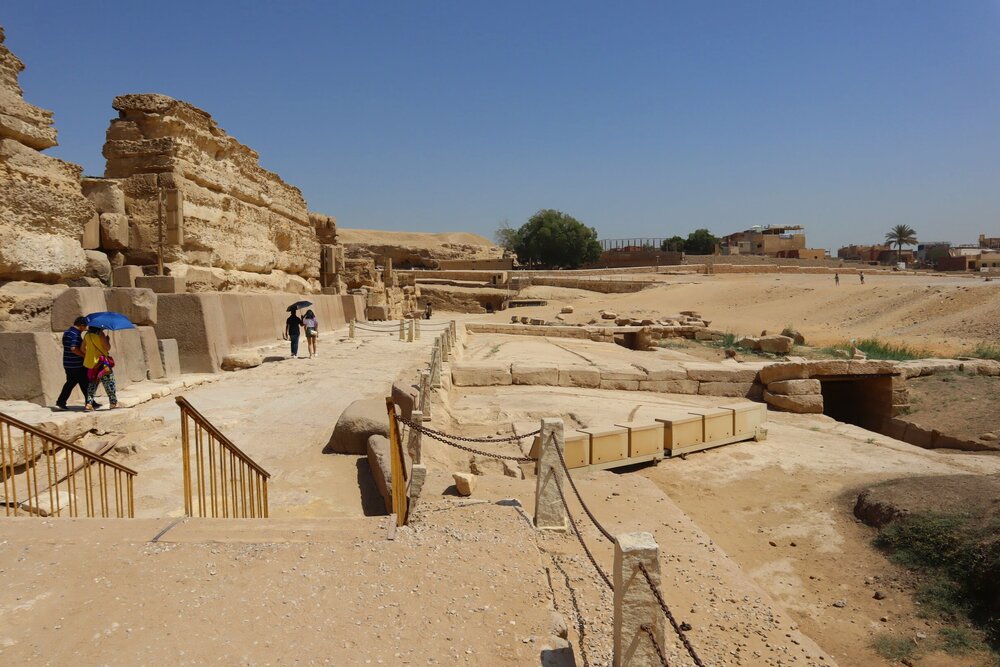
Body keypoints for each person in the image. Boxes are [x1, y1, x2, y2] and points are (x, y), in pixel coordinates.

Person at [56, 316, 96, 410]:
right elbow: (73, 348)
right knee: (85, 383)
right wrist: (84, 356)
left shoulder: (67, 332)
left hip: (68, 363)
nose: (86, 328)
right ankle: (89, 403)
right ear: (81, 325)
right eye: (85, 326)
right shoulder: (75, 334)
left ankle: (61, 402)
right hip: (76, 364)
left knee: (73, 383)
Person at [81, 327, 118, 410]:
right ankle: (113, 403)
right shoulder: (100, 334)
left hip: (92, 364)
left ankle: (89, 404)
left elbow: (82, 348)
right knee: (109, 383)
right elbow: (107, 348)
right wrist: (107, 340)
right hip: (102, 364)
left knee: (92, 384)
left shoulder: (87, 335)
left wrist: (91, 354)